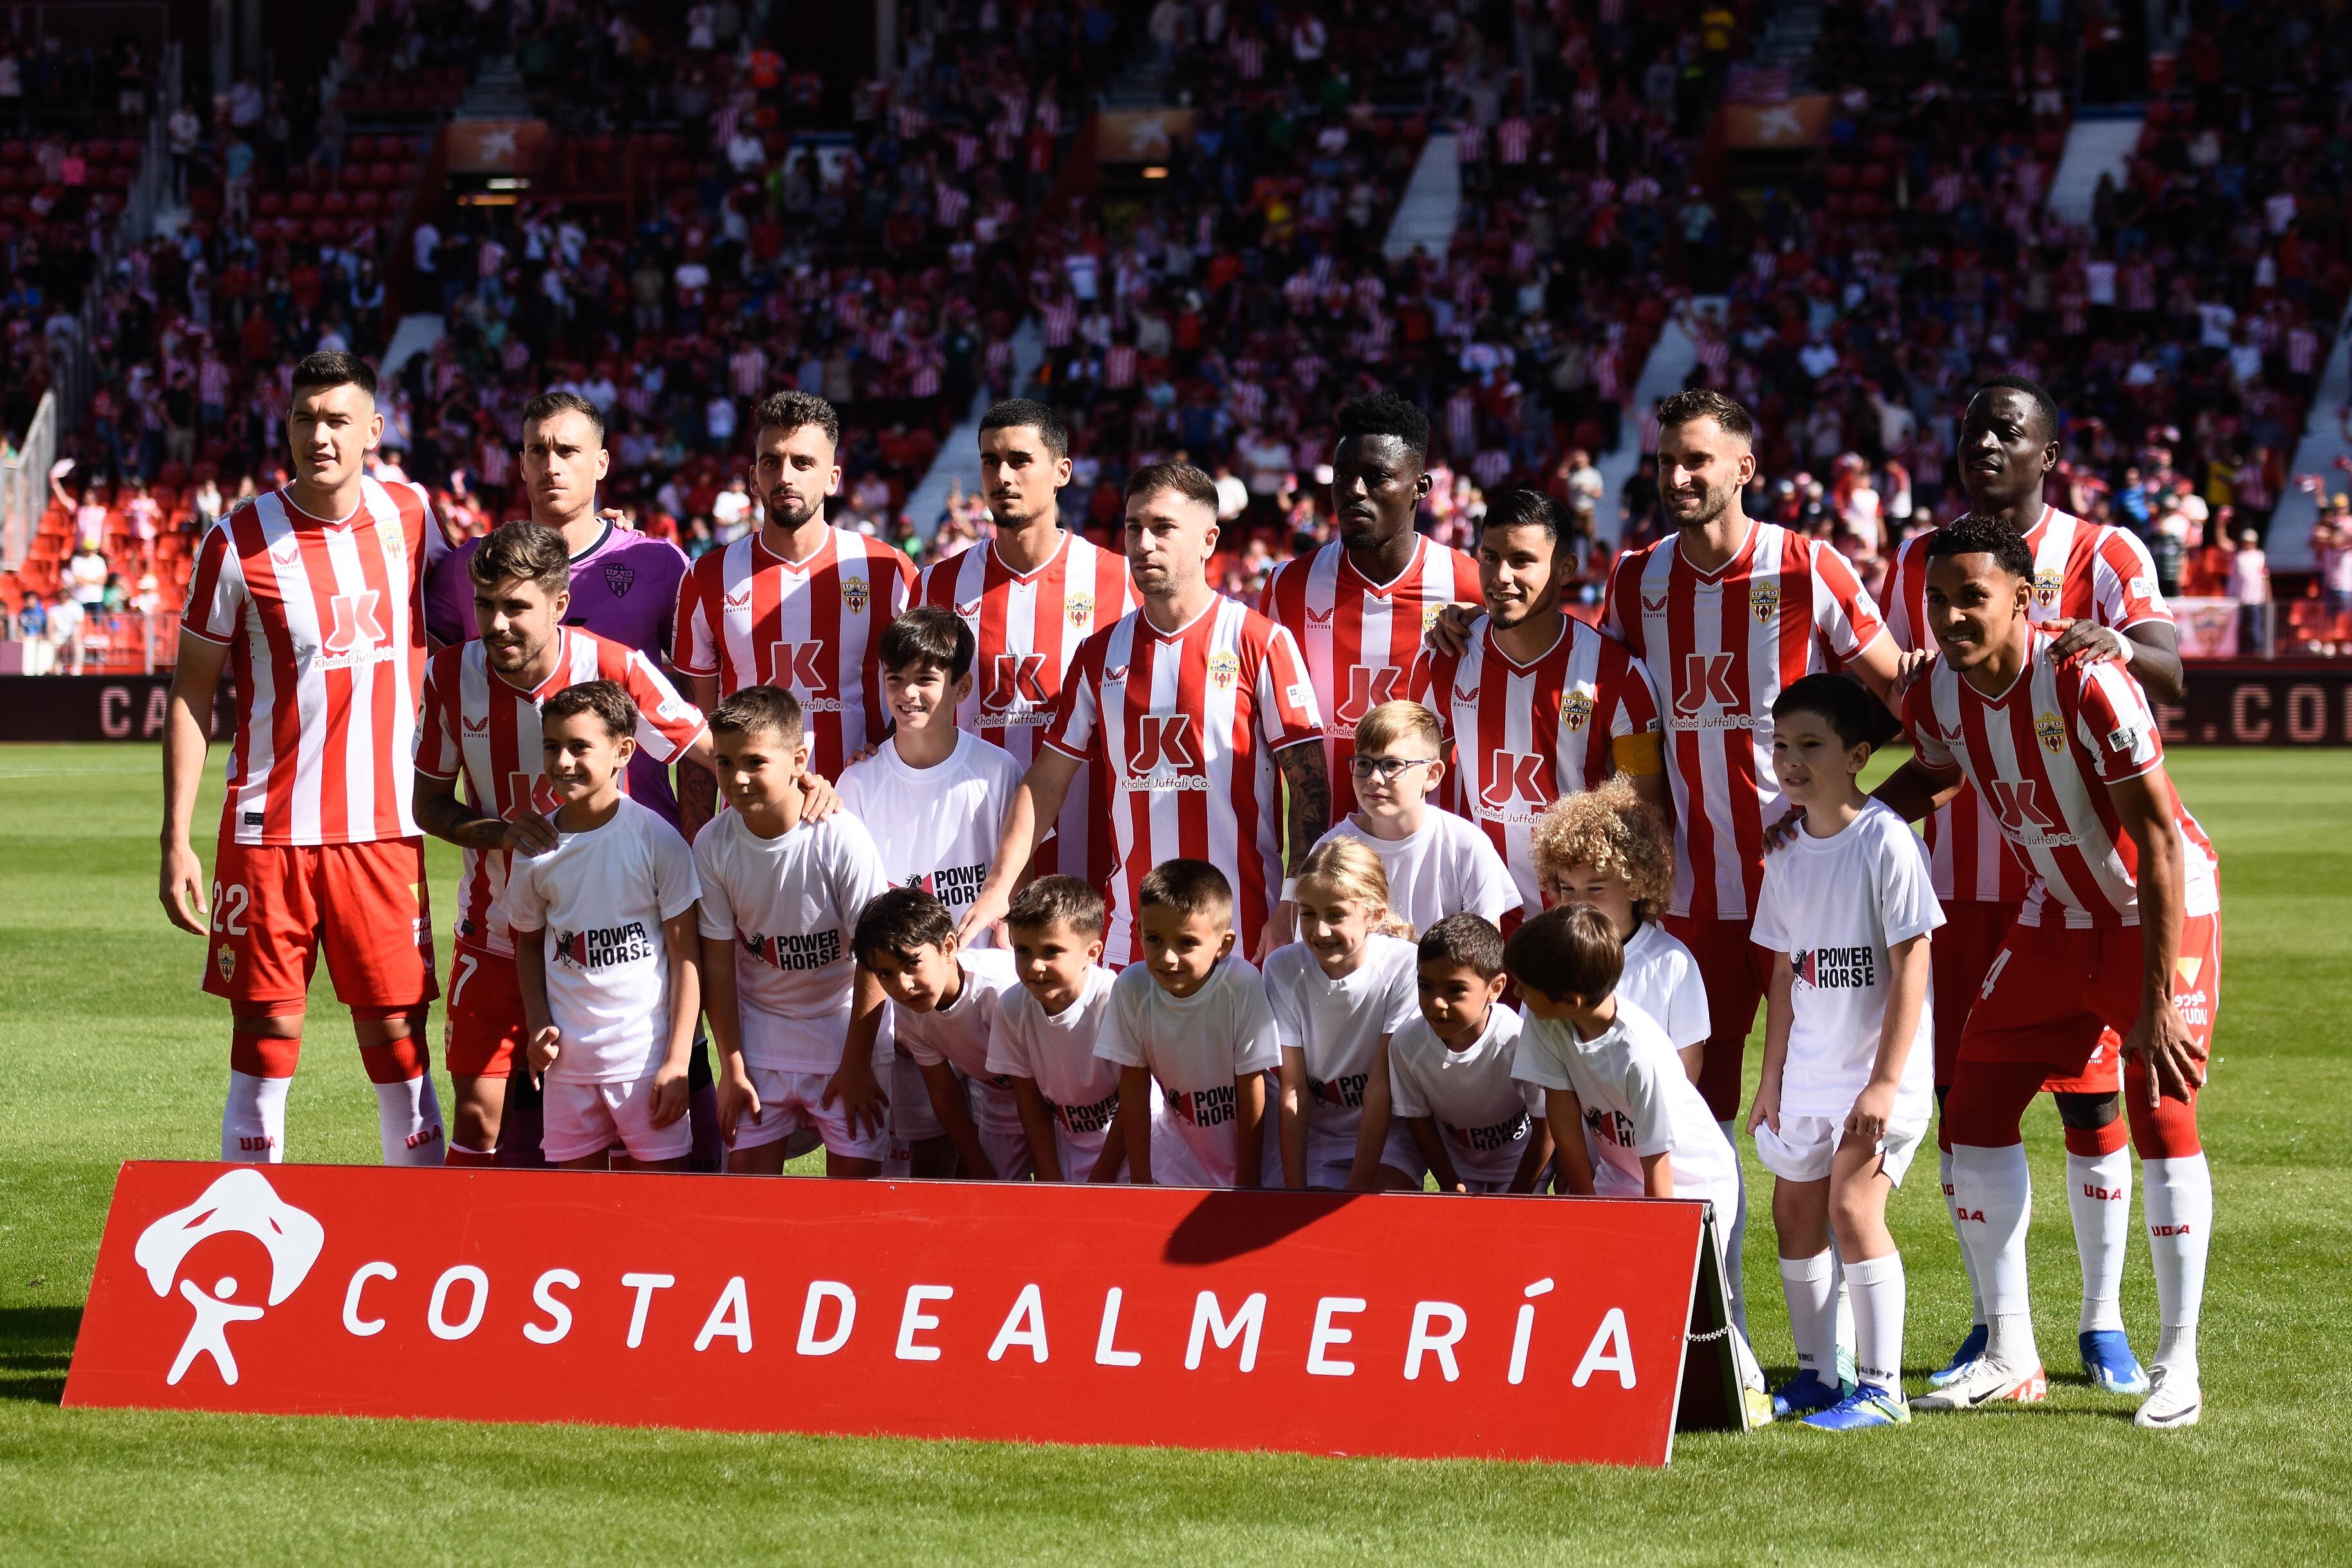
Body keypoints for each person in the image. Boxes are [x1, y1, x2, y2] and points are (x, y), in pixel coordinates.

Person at [1878, 516, 2219, 1429]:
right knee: (1975, 1109)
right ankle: (2009, 1352)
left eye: (1972, 597)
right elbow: (1935, 774)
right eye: (1937, 598)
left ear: (2023, 599)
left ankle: (2177, 1363)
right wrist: (1844, 825)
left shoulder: (2083, 678)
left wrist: (2153, 1002)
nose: (1950, 616)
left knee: (2160, 1109)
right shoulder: (1938, 691)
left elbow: (2158, 844)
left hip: (2156, 910)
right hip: (2053, 914)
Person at [1597, 389, 1903, 1313]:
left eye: (1696, 459)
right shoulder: (1634, 579)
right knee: (1699, 1114)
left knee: (1834, 1112)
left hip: (1809, 902)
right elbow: (1605, 695)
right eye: (1666, 461)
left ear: (1744, 468)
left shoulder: (1807, 567)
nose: (1678, 476)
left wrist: (1855, 816)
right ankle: (1717, 1321)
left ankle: (1847, 1349)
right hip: (1692, 901)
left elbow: (1899, 696)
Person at [160, 350, 447, 1167]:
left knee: (398, 1040)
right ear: (287, 427)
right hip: (269, 832)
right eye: (304, 419)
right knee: (265, 1032)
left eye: (337, 420)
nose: (320, 436)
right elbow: (191, 693)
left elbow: (485, 604)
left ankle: (421, 1225)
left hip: (382, 827)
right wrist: (175, 837)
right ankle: (248, 1217)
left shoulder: (413, 516)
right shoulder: (235, 541)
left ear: (373, 430)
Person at [412, 523, 710, 1166]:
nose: (496, 624)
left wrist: (799, 782)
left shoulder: (614, 666)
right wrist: (502, 833)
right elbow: (428, 803)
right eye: (484, 604)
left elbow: (708, 748)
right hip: (496, 929)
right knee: (478, 1117)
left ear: (559, 603)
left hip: (606, 941)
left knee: (629, 1126)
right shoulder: (448, 675)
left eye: (515, 606)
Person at [959, 462, 1328, 966]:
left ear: (1208, 540)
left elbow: (1310, 785)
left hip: (1241, 934)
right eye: (1133, 527)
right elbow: (1045, 780)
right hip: (1128, 940)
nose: (1143, 543)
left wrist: (1291, 901)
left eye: (1162, 527)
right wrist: (999, 888)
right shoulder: (1098, 654)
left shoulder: (1259, 642)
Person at [1746, 673, 1939, 1432]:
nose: (1790, 761)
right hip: (1808, 1070)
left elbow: (1912, 961)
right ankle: (1820, 1374)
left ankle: (1883, 1389)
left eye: (1810, 746)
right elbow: (1782, 972)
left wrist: (1885, 1083)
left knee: (1853, 1207)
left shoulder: (1885, 839)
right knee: (1793, 1210)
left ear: (1857, 756)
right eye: (1780, 745)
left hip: (1873, 1073)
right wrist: (1770, 1078)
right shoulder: (1785, 852)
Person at [1505, 904, 1766, 1412]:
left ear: (1570, 999)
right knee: (1595, 1274)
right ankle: (1612, 1381)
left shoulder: (1640, 1054)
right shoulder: (1546, 1019)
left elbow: (1658, 1162)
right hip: (1620, 1171)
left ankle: (1749, 1385)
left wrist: (1660, 1242)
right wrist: (1585, 1200)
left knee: (1686, 1292)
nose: (1516, 992)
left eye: (1525, 986)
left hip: (1692, 1181)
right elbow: (1561, 1110)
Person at [1416, 488, 1667, 925]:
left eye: (1521, 560)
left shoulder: (1618, 676)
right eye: (1490, 557)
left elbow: (1642, 821)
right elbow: (1412, 780)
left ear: (1565, 569)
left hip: (1575, 925)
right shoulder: (1446, 657)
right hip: (1476, 917)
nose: (1501, 576)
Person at [837, 605, 1026, 1174]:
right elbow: (860, 916)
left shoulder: (997, 771)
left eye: (926, 678)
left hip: (985, 1006)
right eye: (895, 678)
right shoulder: (859, 780)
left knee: (997, 1164)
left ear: (961, 687)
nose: (908, 693)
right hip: (904, 1007)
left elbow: (1015, 889)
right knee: (922, 1159)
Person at [917, 399, 1136, 884]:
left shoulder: (1120, 583)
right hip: (967, 855)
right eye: (990, 461)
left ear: (1062, 472)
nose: (1002, 476)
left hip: (1089, 858)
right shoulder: (936, 587)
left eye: (1019, 460)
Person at [693, 686, 894, 1178]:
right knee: (746, 1193)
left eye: (754, 762)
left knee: (854, 1200)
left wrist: (856, 1063)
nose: (737, 778)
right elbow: (717, 963)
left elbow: (875, 956)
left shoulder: (840, 837)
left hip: (846, 1034)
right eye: (724, 762)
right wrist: (732, 1065)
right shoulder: (712, 843)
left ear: (799, 760)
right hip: (762, 1037)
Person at [673, 390, 916, 786]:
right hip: (751, 811)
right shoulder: (706, 577)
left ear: (833, 479)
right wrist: (700, 825)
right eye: (771, 462)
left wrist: (888, 755)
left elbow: (926, 701)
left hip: (864, 804)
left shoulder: (888, 570)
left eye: (803, 462)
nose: (785, 476)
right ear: (754, 478)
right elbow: (698, 734)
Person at [1259, 391, 1480, 819]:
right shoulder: (1289, 586)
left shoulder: (1468, 585)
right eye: (1342, 475)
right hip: (1328, 844)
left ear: (1420, 488)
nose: (1354, 491)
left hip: (1435, 843)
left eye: (1376, 477)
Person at [509, 682, 701, 1170]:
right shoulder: (535, 849)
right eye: (552, 746)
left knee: (659, 1202)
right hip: (568, 1065)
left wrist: (678, 1060)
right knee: (577, 1206)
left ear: (623, 752)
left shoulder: (658, 840)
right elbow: (528, 945)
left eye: (580, 747)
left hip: (645, 1063)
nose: (563, 761)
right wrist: (537, 1024)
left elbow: (686, 957)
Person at [1093, 858, 1281, 1188]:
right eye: (1154, 939)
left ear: (1224, 944)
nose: (1168, 957)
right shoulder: (1132, 987)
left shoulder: (1240, 984)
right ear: (1140, 932)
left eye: (1187, 943)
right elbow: (1134, 1088)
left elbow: (1252, 1084)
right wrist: (1140, 1179)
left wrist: (1249, 1185)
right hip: (1182, 1148)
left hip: (1258, 1154)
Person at [1264, 838, 1421, 1191]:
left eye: (1336, 915)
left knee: (1372, 1217)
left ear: (1375, 915)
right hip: (1312, 1133)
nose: (1320, 930)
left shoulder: (1403, 965)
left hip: (1385, 1135)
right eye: (1308, 913)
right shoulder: (1283, 968)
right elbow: (1294, 1089)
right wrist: (1296, 1193)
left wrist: (1356, 1190)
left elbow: (1380, 1088)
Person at [1531, 775, 1708, 1084]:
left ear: (1636, 885)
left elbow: (1687, 1066)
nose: (1579, 903)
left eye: (1595, 888)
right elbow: (1542, 1070)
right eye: (1567, 888)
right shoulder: (1546, 962)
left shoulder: (1671, 962)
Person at [857, 887, 1032, 1181]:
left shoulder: (1000, 992)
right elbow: (944, 1094)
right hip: (1001, 1105)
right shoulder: (909, 1009)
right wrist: (978, 1165)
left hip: (1062, 1105)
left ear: (948, 947)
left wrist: (1050, 1165)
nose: (903, 985)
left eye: (912, 964)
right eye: (886, 974)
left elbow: (1043, 1086)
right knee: (988, 1198)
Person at [1311, 699, 1518, 936]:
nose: (1374, 778)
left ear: (1432, 775)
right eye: (1364, 763)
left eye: (1392, 765)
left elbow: (1485, 946)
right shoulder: (1332, 850)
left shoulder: (1466, 845)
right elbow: (1315, 943)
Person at [1384, 913, 1551, 1194]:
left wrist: (1518, 1194)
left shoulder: (1518, 1039)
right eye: (1425, 986)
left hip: (1520, 1169)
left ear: (1495, 988)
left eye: (1455, 990)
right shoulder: (1407, 1044)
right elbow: (1420, 1124)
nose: (1437, 1003)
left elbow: (1548, 1127)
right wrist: (1451, 1184)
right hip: (1461, 1173)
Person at [986, 875, 1129, 1183]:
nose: (1035, 966)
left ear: (1092, 953)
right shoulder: (1012, 1007)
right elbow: (1030, 1102)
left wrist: (1101, 1180)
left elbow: (1134, 1102)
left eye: (1051, 951)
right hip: (1069, 1156)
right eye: (1023, 950)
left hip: (1135, 1153)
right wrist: (1050, 1176)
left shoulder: (1114, 1001)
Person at [2229, 528, 2268, 655]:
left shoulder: (2260, 556)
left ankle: (2258, 652)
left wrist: (2268, 596)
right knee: (2238, 627)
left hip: (2256, 599)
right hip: (2240, 599)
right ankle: (2237, 650)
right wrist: (2231, 595)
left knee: (2255, 627)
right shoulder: (2238, 557)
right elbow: (2233, 578)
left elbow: (2265, 577)